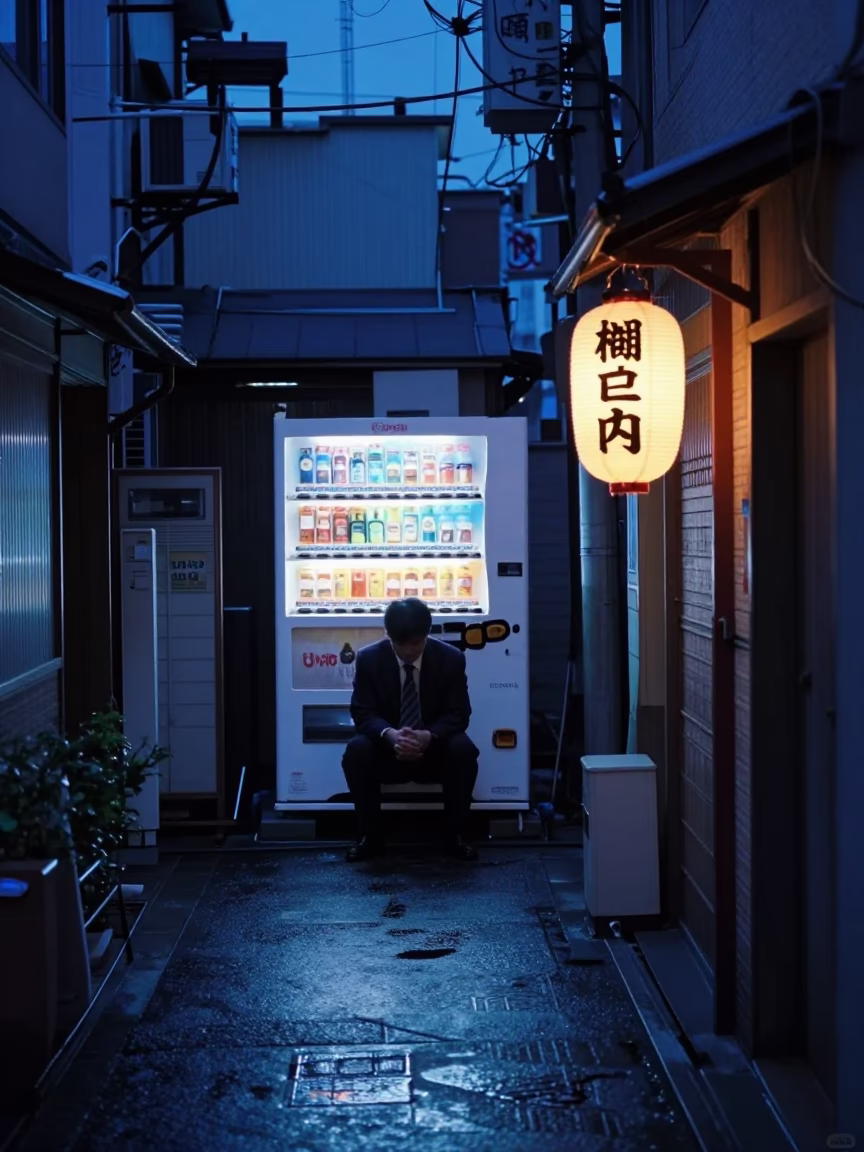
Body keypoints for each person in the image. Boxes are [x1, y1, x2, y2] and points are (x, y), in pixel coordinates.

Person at [342, 597, 479, 862]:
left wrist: (428, 736)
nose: (408, 652)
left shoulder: (451, 659)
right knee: (356, 750)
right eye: (400, 644)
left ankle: (455, 835)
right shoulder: (369, 659)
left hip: (433, 749)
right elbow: (362, 712)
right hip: (387, 750)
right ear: (388, 636)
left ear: (427, 635)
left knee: (464, 750)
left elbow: (459, 713)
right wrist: (390, 735)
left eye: (415, 644)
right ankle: (369, 836)